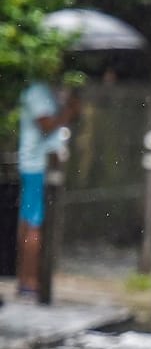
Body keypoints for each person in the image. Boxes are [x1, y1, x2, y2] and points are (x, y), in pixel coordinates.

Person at [17, 79, 80, 299]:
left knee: (30, 220)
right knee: (34, 223)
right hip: (36, 166)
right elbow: (45, 125)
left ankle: (27, 279)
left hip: (40, 165)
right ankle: (30, 280)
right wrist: (68, 112)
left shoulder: (49, 91)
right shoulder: (37, 92)